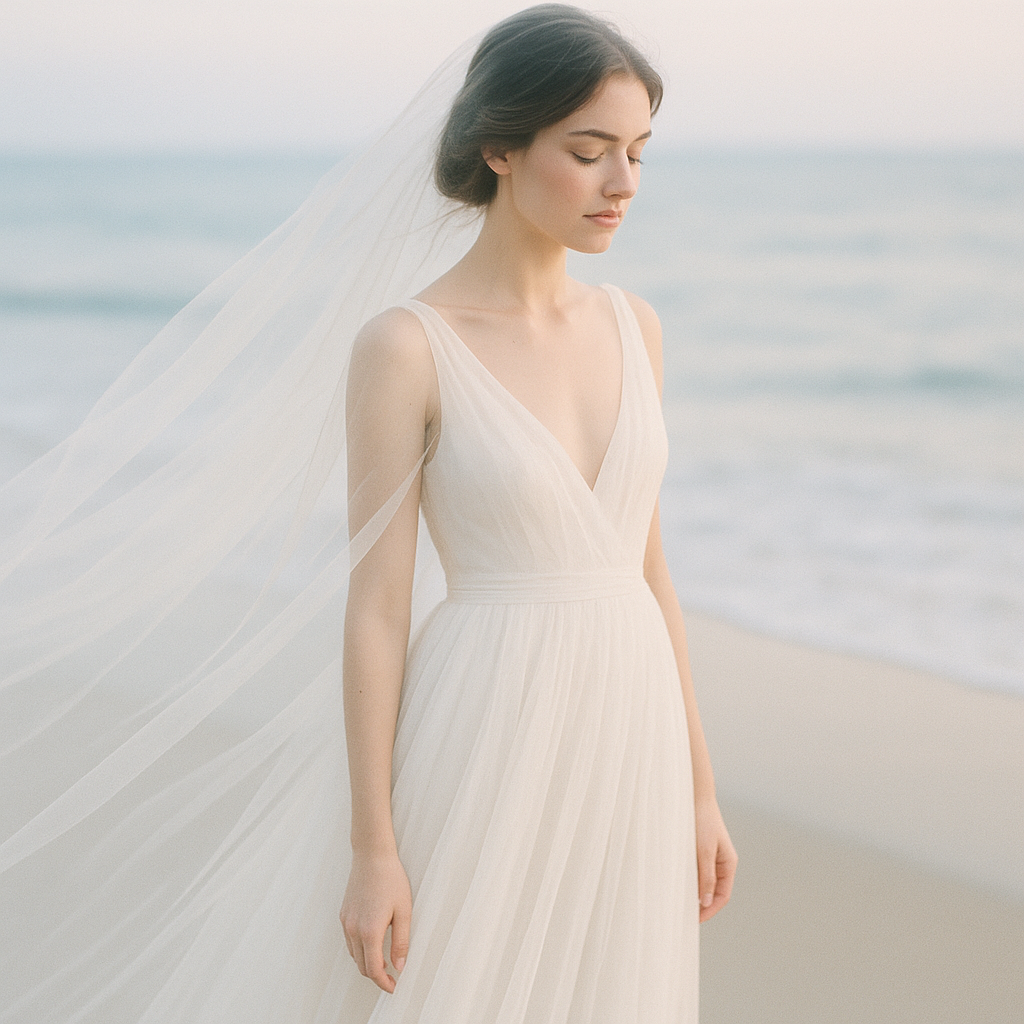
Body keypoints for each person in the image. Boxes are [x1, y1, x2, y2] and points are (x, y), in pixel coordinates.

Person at [0, 5, 734, 1022]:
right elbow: (377, 609)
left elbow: (650, 575)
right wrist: (373, 846)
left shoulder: (633, 326)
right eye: (589, 151)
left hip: (630, 724)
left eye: (639, 154)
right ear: (501, 149)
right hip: (486, 721)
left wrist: (698, 788)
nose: (622, 186)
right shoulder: (406, 347)